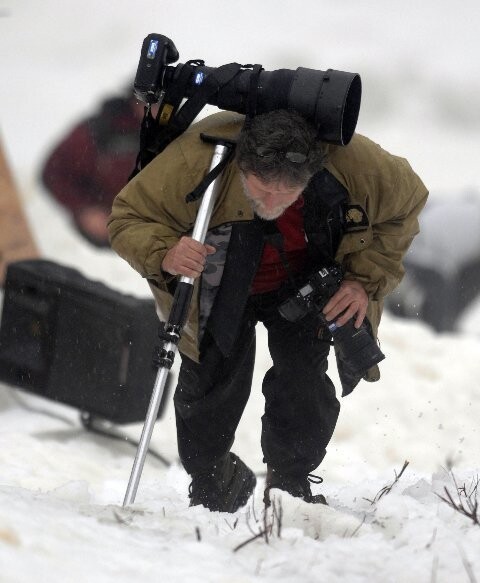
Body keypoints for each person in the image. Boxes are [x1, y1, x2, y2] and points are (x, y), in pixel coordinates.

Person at [108, 108, 428, 513]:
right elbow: (127, 217)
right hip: (221, 279)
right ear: (243, 166)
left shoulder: (355, 163)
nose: (270, 203)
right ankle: (211, 481)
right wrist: (165, 252)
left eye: (286, 193)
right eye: (259, 190)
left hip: (305, 279)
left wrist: (361, 280)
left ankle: (289, 487)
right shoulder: (199, 156)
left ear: (310, 175)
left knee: (303, 384)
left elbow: (406, 204)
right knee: (208, 388)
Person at [41, 91, 144, 247]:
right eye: (152, 102)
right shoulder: (99, 131)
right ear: (135, 100)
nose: (157, 110)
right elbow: (55, 173)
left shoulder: (176, 135)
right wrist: (86, 209)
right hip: (109, 224)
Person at [386, 192, 480, 332]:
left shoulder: (467, 206)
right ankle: (439, 333)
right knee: (443, 285)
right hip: (421, 249)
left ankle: (432, 325)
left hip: (407, 239)